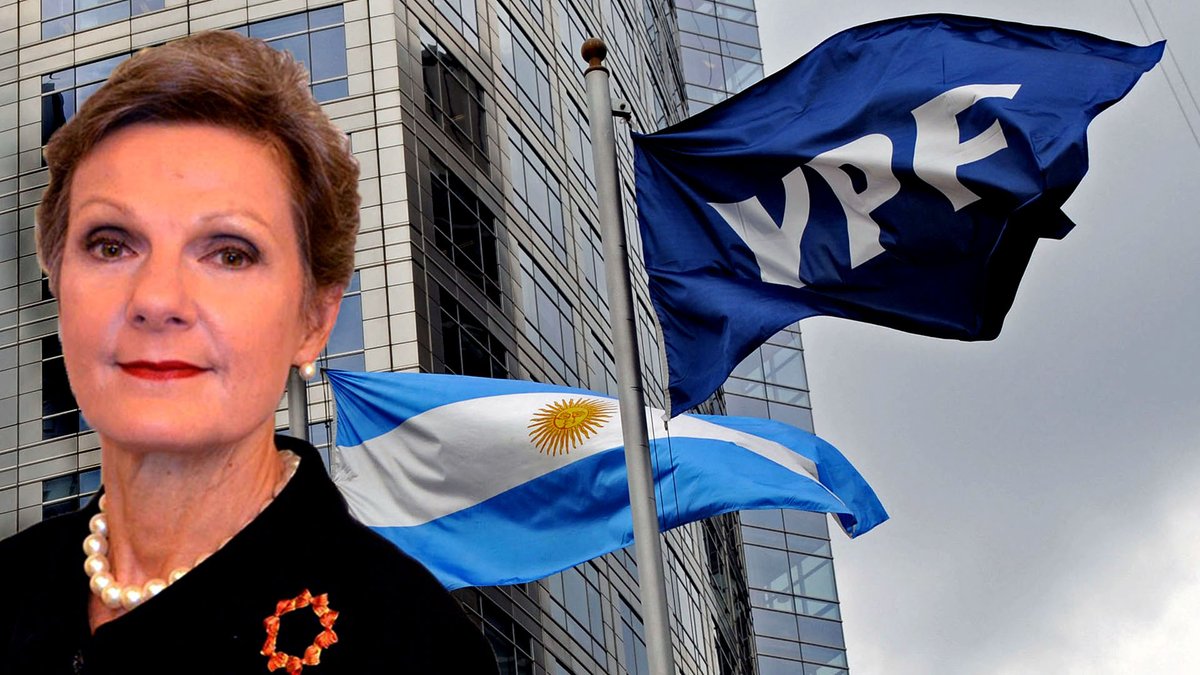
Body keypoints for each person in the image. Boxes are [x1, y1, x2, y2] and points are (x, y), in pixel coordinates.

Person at [0, 31, 499, 674]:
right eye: (111, 245)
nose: (157, 299)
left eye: (230, 254)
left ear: (315, 318)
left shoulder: (410, 646)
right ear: (56, 279)